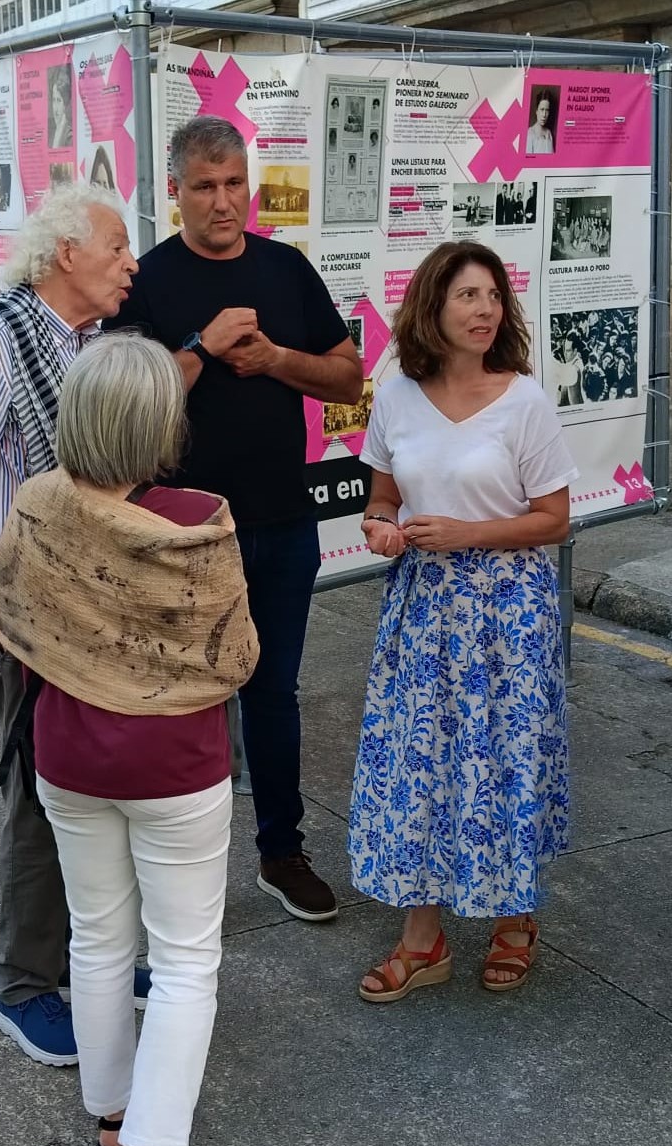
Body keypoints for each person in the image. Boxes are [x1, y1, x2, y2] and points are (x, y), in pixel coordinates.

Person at [0, 334, 256, 1146]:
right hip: (175, 763)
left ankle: (112, 1114)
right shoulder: (199, 519)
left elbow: (10, 612)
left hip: (67, 754)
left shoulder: (38, 505)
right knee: (184, 962)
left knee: (98, 938)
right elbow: (237, 654)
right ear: (161, 425)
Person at [105, 115, 364, 923]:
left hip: (283, 520)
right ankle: (177, 868)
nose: (223, 202)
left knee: (273, 693)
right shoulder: (146, 281)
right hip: (181, 532)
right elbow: (125, 400)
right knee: (180, 699)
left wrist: (277, 358)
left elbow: (347, 376)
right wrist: (202, 344)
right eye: (205, 187)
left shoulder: (286, 268)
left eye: (235, 184)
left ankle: (281, 852)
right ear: (174, 191)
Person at [0, 184, 139, 1067]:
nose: (132, 263)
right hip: (26, 622)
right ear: (67, 255)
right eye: (117, 247)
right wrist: (4, 607)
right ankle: (23, 985)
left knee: (94, 792)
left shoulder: (88, 345)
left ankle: (90, 957)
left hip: (88, 614)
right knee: (40, 795)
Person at [348, 241, 576, 1003]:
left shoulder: (523, 401)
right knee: (420, 765)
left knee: (505, 756)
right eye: (468, 296)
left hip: (509, 611)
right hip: (424, 607)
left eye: (494, 296)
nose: (485, 311)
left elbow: (554, 520)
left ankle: (516, 918)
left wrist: (467, 532)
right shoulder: (396, 397)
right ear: (432, 308)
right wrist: (382, 526)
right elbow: (383, 496)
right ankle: (424, 939)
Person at [48, 65, 73, 149]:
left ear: (65, 104)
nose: (55, 109)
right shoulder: (51, 133)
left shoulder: (70, 137)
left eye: (59, 101)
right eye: (54, 100)